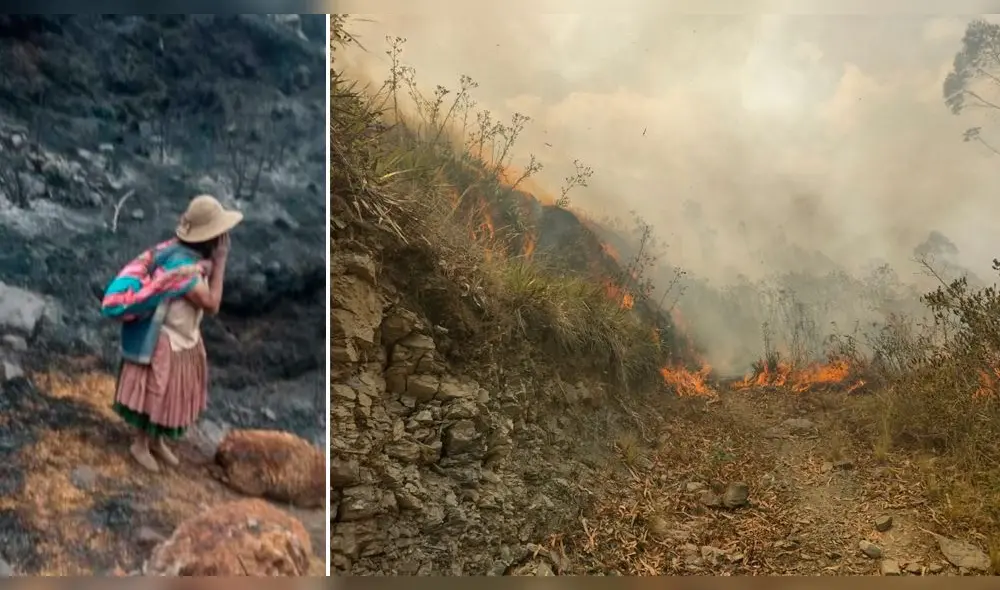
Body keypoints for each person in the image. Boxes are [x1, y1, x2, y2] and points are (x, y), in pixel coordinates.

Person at [112, 195, 243, 472]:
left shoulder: (185, 257)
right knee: (157, 392)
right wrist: (220, 263)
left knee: (173, 394)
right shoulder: (184, 271)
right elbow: (212, 304)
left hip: (185, 337)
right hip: (167, 339)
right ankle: (141, 443)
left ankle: (157, 441)